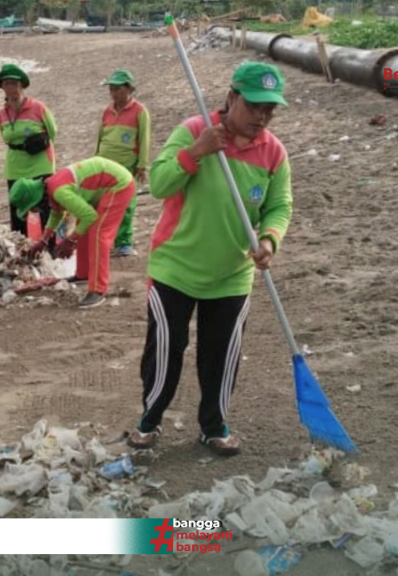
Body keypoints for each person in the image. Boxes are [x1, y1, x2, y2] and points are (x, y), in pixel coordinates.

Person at [127, 62, 293, 457]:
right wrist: (196, 152)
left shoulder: (273, 151)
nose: (262, 116)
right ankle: (150, 419)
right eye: (254, 106)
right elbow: (160, 184)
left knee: (220, 355)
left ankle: (213, 425)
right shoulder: (192, 130)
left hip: (232, 274)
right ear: (232, 97)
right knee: (165, 351)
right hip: (175, 268)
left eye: (270, 109)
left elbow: (279, 205)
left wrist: (269, 240)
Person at [10, 156, 134, 309]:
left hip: (118, 185)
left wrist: (70, 240)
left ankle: (98, 290)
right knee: (82, 226)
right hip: (104, 186)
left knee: (98, 235)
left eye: (33, 207)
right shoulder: (50, 187)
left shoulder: (59, 191)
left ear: (37, 198)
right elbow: (57, 213)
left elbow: (90, 216)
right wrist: (43, 240)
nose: (36, 211)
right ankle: (83, 274)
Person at [0, 64, 57, 240]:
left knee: (44, 210)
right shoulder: (1, 114)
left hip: (40, 164)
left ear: (21, 85)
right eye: (7, 84)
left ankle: (48, 247)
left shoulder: (38, 108)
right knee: (18, 213)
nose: (11, 88)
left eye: (14, 83)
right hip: (15, 166)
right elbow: (5, 138)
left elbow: (53, 132)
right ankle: (21, 249)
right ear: (2, 87)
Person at [95, 69, 150, 258]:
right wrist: (96, 158)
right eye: (111, 89)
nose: (113, 93)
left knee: (126, 204)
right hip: (105, 165)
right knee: (104, 203)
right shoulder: (107, 111)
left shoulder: (139, 111)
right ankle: (107, 240)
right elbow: (100, 137)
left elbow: (144, 139)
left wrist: (142, 165)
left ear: (129, 89)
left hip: (126, 166)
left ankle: (124, 242)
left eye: (117, 89)